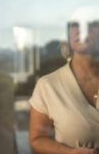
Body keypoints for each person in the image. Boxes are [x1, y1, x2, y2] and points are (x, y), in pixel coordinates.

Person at [29, 17, 99, 154]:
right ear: (68, 35)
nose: (82, 30)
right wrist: (70, 152)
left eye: (91, 24)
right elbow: (37, 139)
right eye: (75, 24)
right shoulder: (47, 86)